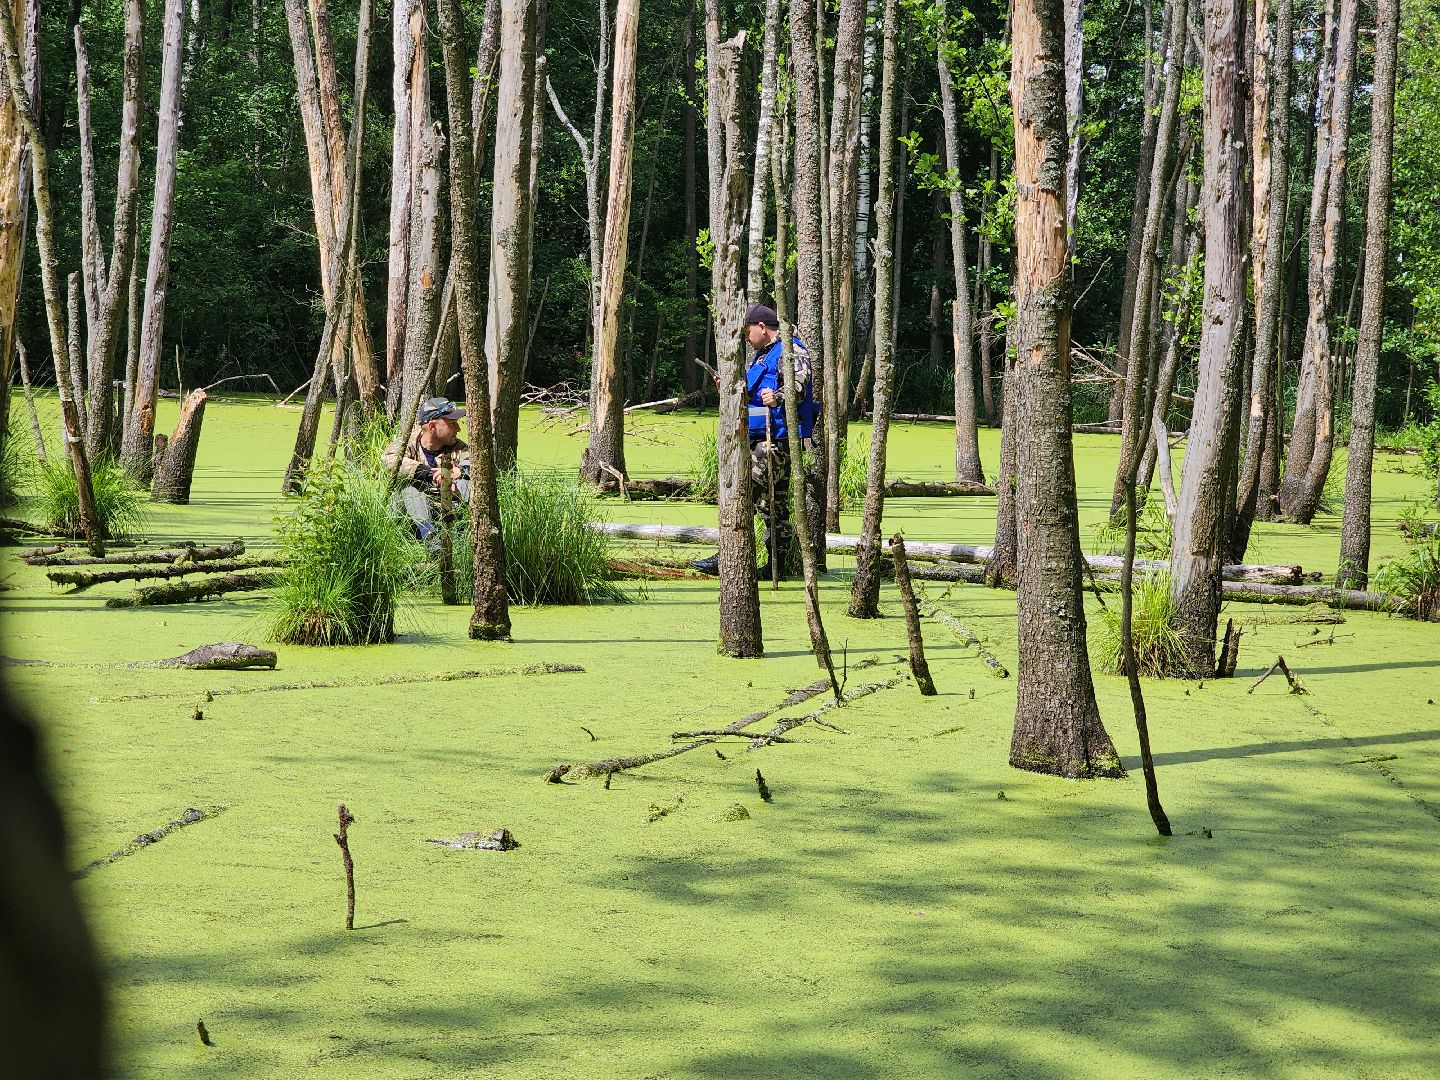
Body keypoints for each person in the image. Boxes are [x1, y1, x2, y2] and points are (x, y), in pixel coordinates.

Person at [691, 304, 819, 579]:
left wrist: (779, 396)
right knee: (771, 505)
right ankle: (777, 565)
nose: (747, 339)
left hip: (775, 442)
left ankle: (728, 557)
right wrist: (729, 386)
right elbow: (752, 394)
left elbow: (799, 385)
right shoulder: (762, 356)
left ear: (762, 327)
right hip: (757, 436)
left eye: (748, 332)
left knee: (744, 492)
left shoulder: (791, 350)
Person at [383, 396, 472, 542]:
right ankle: (430, 539)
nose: (458, 429)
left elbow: (476, 463)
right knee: (409, 485)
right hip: (411, 517)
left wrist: (461, 471)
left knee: (467, 484)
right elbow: (390, 461)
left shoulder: (458, 447)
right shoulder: (408, 443)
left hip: (445, 509)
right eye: (452, 423)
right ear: (432, 426)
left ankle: (466, 535)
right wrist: (429, 474)